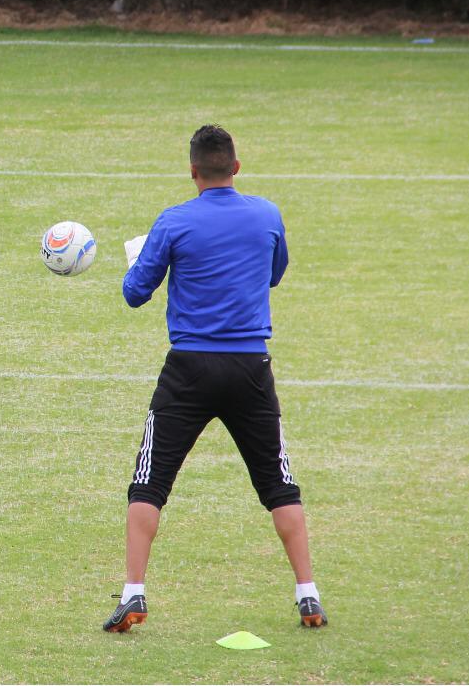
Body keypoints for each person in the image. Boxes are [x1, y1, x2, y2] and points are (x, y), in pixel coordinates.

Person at [103, 125, 326, 632]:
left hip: (189, 370)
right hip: (251, 368)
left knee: (149, 481)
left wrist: (142, 261)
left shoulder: (174, 222)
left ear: (192, 171)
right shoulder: (267, 215)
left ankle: (133, 593)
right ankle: (308, 595)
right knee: (279, 483)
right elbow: (273, 273)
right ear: (236, 168)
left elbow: (135, 293)